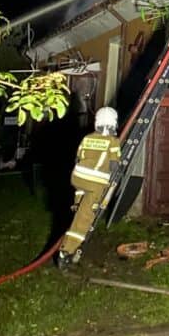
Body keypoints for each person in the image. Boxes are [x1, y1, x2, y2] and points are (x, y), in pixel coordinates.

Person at [57, 106, 122, 268]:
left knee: (79, 206)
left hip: (78, 178)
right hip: (96, 183)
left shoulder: (86, 138)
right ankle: (66, 251)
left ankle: (77, 203)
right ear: (114, 123)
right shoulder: (113, 142)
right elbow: (115, 166)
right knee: (84, 218)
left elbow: (78, 158)